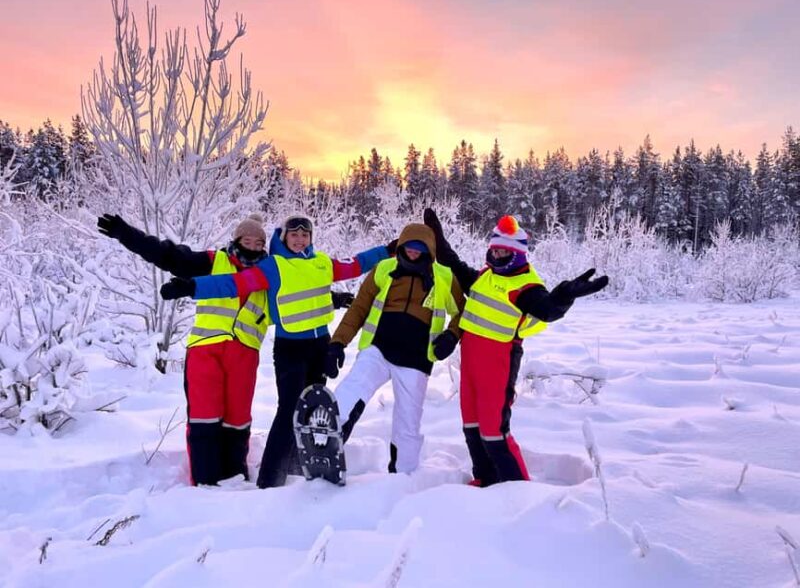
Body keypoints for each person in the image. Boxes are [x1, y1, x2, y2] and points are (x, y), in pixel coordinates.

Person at [160, 215, 393, 488]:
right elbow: (233, 284)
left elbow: (354, 264)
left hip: (319, 346)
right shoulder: (273, 266)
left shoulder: (321, 263)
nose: (299, 239)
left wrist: (386, 251)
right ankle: (271, 477)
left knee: (311, 410)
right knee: (288, 411)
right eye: (293, 235)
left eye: (304, 235)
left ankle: (297, 468)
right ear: (283, 238)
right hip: (290, 349)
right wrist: (193, 287)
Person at [424, 209, 608, 486]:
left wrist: (566, 294)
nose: (497, 257)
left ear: (518, 255)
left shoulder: (525, 286)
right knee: (471, 426)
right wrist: (436, 237)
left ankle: (517, 488)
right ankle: (485, 479)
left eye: (503, 253)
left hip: (498, 367)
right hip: (472, 366)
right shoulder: (484, 276)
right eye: (494, 251)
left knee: (494, 430)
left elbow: (547, 309)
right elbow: (452, 263)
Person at [97, 212, 273, 486]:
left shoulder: (269, 277)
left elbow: (299, 296)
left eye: (258, 242)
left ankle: (235, 478)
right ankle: (205, 483)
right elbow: (168, 255)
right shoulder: (214, 261)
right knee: (205, 416)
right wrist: (125, 233)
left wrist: (332, 300)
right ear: (236, 240)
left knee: (238, 419)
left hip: (245, 355)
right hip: (206, 350)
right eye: (246, 240)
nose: (252, 246)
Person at [324, 223, 466, 474]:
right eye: (408, 247)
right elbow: (358, 309)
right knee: (353, 387)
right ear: (401, 246)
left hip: (416, 359)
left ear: (430, 251)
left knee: (408, 423)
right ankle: (325, 438)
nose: (412, 252)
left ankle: (403, 476)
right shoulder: (384, 268)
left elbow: (463, 313)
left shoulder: (444, 277)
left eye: (419, 249)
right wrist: (338, 342)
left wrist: (451, 336)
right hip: (379, 348)